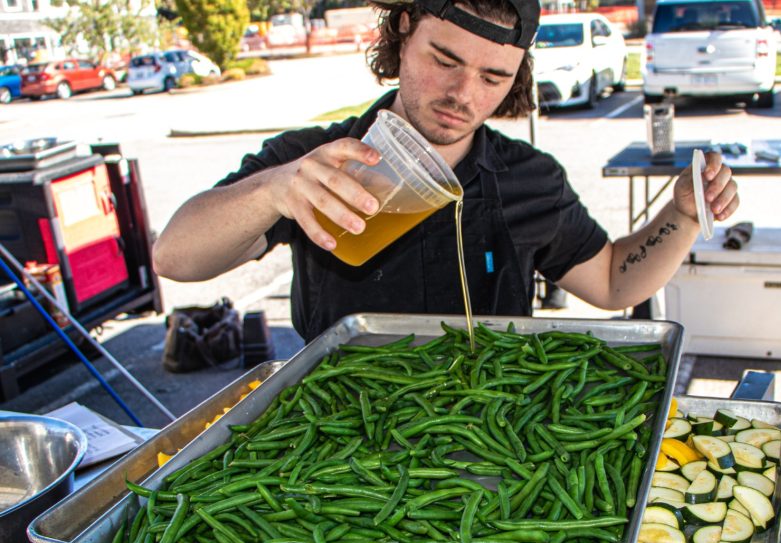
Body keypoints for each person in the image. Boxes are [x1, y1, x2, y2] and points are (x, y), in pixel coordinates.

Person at [152, 0, 739, 342]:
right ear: (404, 29)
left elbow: (613, 282)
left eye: (493, 78)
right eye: (445, 60)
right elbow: (176, 258)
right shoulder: (315, 160)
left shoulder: (530, 178)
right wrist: (273, 190)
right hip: (341, 458)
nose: (463, 95)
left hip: (489, 449)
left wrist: (682, 216)